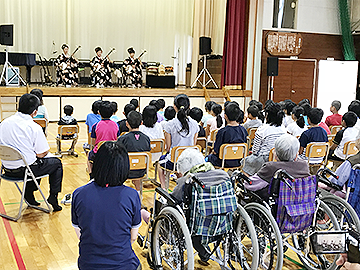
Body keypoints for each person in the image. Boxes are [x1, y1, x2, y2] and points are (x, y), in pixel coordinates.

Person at [71, 141, 142, 270]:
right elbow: (133, 237)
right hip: (123, 264)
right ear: (124, 167)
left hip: (88, 264)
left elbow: (80, 234)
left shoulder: (79, 194)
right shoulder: (131, 195)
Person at [172, 148, 237, 264]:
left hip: (198, 229)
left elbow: (173, 201)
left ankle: (204, 252)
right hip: (223, 224)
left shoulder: (187, 181)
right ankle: (205, 252)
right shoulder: (223, 175)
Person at [0, 94, 63, 211]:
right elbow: (42, 153)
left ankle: (29, 194)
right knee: (55, 163)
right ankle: (53, 197)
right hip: (24, 170)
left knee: (33, 161)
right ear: (35, 112)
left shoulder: (4, 123)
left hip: (6, 168)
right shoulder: (34, 127)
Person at [244, 134, 310, 202]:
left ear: (275, 154)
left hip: (278, 204)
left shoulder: (271, 167)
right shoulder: (304, 165)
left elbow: (251, 185)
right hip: (300, 202)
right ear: (296, 155)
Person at [158, 94, 199, 188]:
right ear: (189, 107)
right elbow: (194, 144)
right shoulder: (195, 124)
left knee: (160, 164)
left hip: (175, 160)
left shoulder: (169, 124)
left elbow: (168, 148)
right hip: (191, 159)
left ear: (174, 107)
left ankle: (164, 190)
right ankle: (182, 184)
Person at [242, 101, 286, 176]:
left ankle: (250, 183)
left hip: (264, 159)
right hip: (279, 159)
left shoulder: (262, 129)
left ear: (268, 115)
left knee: (244, 162)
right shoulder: (283, 129)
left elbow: (255, 151)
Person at [118, 111, 151, 192]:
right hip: (142, 171)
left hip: (125, 171)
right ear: (141, 123)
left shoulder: (122, 139)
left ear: (127, 124)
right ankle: (139, 194)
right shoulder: (146, 138)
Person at [207, 103, 248, 168]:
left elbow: (216, 151)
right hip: (239, 161)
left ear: (225, 116)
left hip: (223, 161)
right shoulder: (243, 130)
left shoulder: (222, 132)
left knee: (207, 158)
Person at [87, 101, 120, 174]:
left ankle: (91, 174)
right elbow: (118, 139)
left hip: (99, 152)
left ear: (99, 112)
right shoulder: (116, 125)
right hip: (113, 151)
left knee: (89, 155)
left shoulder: (96, 125)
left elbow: (93, 143)